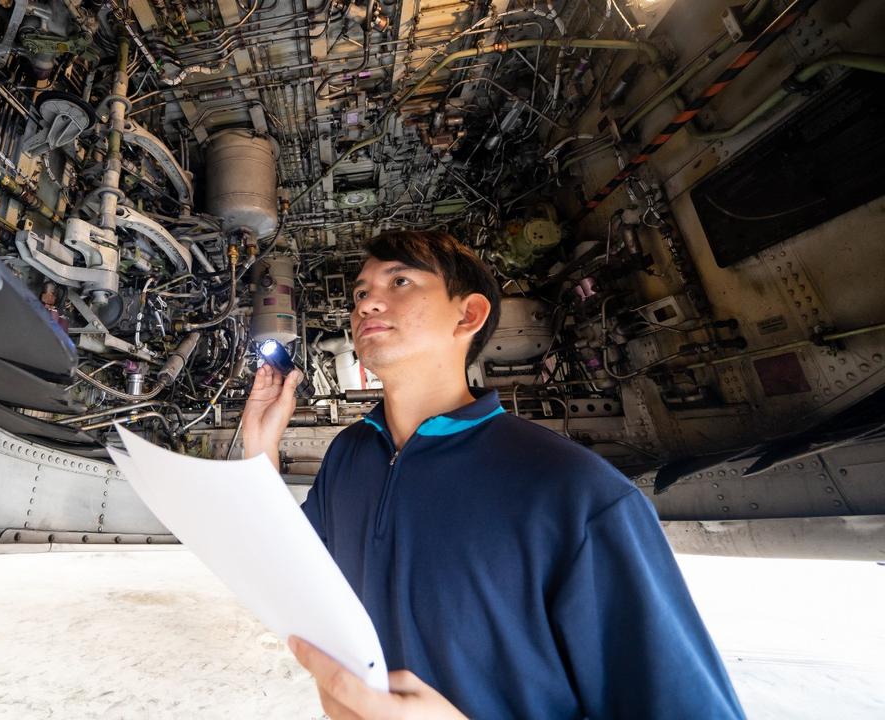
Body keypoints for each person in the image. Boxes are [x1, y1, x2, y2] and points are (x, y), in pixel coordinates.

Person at [240, 230, 743, 719]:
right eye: (360, 293)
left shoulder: (574, 491)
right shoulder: (349, 454)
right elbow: (294, 569)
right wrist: (260, 453)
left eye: (400, 283)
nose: (366, 305)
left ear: (469, 315)